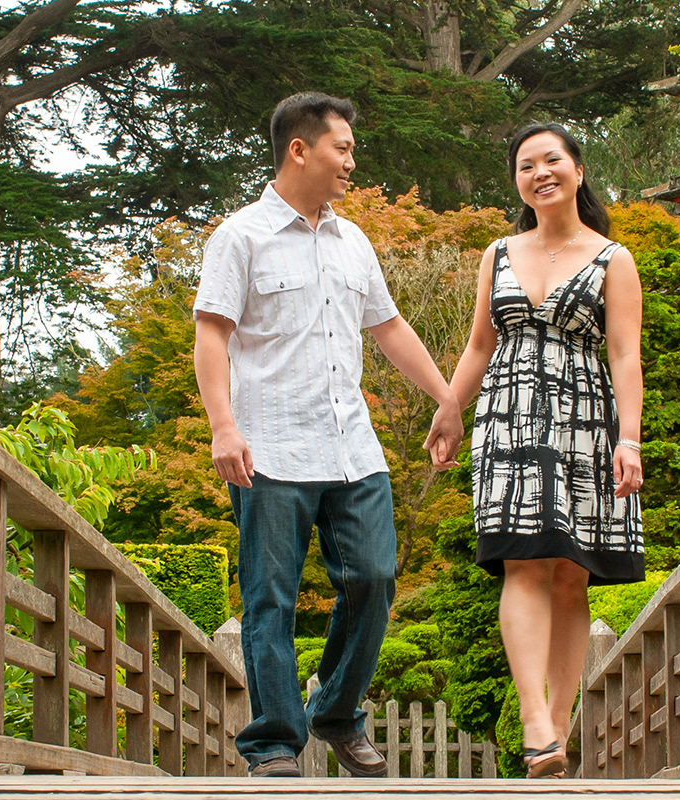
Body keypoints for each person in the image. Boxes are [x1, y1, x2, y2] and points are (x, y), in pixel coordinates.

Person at [193, 92, 463, 779]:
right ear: (299, 149)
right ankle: (275, 742)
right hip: (270, 447)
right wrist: (222, 426)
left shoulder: (354, 241)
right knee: (270, 598)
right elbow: (212, 334)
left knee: (374, 577)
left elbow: (391, 328)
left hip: (352, 448)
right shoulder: (240, 236)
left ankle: (336, 712)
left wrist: (448, 399)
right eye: (342, 148)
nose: (351, 161)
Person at [447, 123, 645, 778]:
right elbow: (480, 345)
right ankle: (534, 719)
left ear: (578, 171)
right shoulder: (498, 253)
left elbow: (624, 354)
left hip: (585, 417)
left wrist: (631, 439)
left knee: (569, 573)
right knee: (523, 563)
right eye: (526, 164)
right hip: (509, 417)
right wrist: (451, 409)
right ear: (518, 181)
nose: (540, 172)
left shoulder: (613, 258)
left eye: (552, 159)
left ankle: (555, 734)